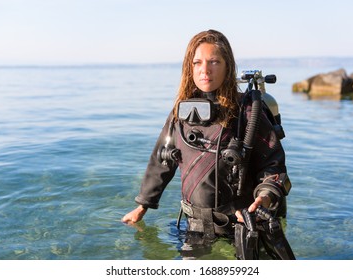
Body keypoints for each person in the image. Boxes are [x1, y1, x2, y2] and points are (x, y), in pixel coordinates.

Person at [122, 29, 292, 259]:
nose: (205, 70)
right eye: (198, 62)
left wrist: (265, 197)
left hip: (243, 223)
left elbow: (273, 164)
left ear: (227, 66)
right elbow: (162, 160)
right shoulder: (180, 113)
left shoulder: (247, 112)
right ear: (189, 68)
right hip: (197, 225)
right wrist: (143, 205)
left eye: (214, 62)